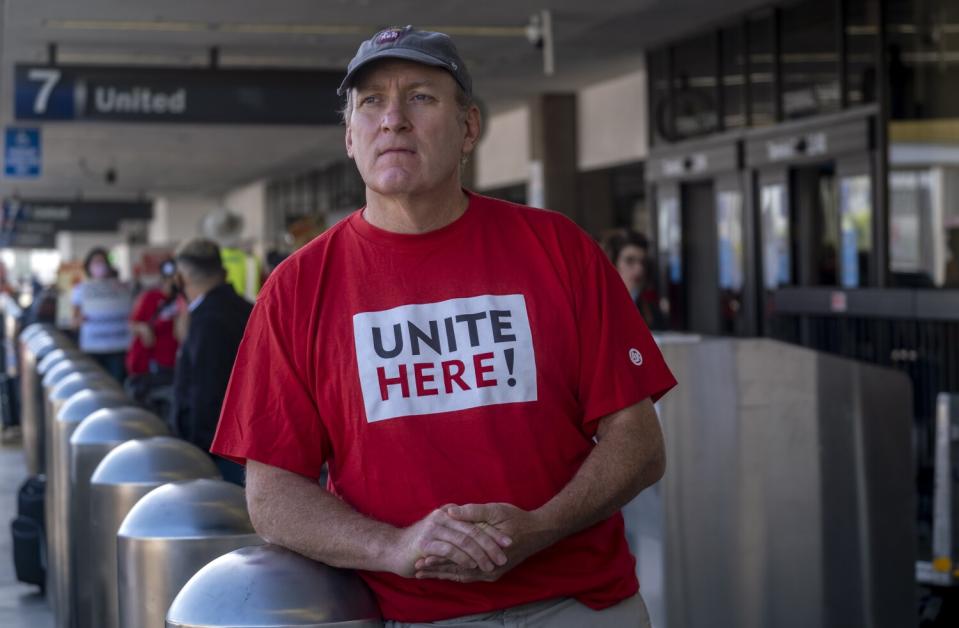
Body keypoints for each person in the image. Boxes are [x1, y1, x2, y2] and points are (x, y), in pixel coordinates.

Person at [212, 26, 676, 627]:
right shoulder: (298, 288)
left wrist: (541, 526)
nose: (393, 119)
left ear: (470, 129)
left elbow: (639, 444)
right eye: (371, 102)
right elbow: (271, 498)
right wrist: (395, 548)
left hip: (580, 604)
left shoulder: (559, 249)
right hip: (412, 616)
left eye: (421, 97)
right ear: (349, 137)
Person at [170, 239, 252, 485]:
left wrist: (197, 453)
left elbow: (206, 390)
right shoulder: (245, 308)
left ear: (181, 279)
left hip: (218, 451)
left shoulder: (207, 322)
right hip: (247, 441)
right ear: (222, 271)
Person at [125, 258, 181, 412]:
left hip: (174, 364)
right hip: (150, 365)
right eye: (168, 279)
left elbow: (181, 333)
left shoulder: (184, 300)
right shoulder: (150, 297)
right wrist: (143, 329)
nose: (171, 283)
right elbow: (132, 324)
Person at [71, 248, 132, 382]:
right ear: (88, 266)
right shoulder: (80, 290)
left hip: (118, 348)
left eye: (102, 262)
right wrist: (78, 320)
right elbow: (74, 320)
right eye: (96, 262)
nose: (100, 266)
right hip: (93, 349)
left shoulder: (124, 287)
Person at [602, 228, 665, 331]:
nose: (639, 269)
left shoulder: (651, 312)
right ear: (613, 263)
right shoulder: (599, 310)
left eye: (643, 262)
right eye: (629, 260)